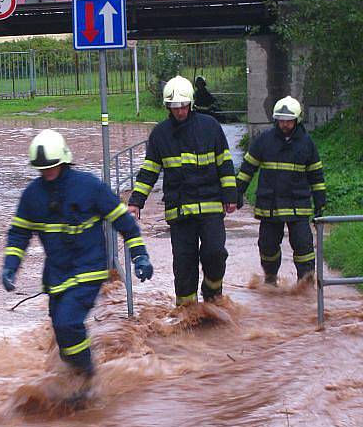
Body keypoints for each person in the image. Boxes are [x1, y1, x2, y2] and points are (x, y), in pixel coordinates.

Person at [1, 129, 153, 379]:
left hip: (88, 269)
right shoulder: (33, 195)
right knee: (62, 335)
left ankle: (86, 379)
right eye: (42, 169)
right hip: (57, 276)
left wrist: (140, 255)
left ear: (63, 161)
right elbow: (19, 234)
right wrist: (10, 266)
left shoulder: (88, 186)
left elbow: (123, 222)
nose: (47, 172)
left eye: (51, 166)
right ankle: (75, 378)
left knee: (67, 323)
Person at [128, 75, 237, 306]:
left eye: (183, 106)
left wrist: (230, 196)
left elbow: (224, 163)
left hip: (210, 207)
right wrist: (136, 201)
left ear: (191, 103)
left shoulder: (210, 127)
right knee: (184, 264)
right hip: (179, 212)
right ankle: (187, 312)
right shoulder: (160, 134)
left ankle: (212, 295)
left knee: (215, 254)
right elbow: (149, 171)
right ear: (168, 107)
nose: (179, 112)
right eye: (175, 107)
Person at [236, 96, 326, 285]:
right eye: (281, 120)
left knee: (304, 247)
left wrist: (320, 203)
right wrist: (237, 192)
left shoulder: (307, 144)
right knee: (267, 246)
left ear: (297, 120)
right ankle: (270, 279)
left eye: (288, 120)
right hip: (270, 205)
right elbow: (247, 168)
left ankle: (305, 287)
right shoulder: (264, 141)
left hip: (298, 206)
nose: (284, 124)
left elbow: (316, 177)